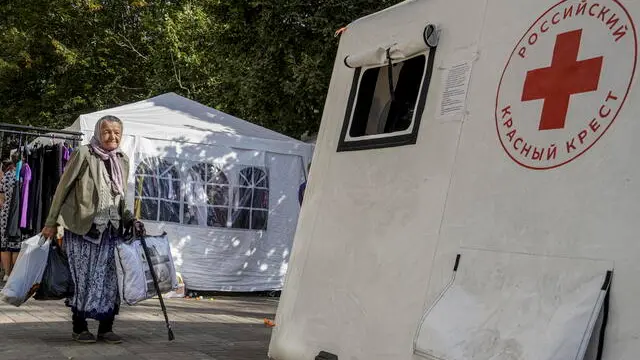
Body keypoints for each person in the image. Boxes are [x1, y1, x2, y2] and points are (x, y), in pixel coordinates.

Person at [41, 115, 140, 344]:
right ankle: (79, 327)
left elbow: (121, 197)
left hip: (112, 230)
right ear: (98, 132)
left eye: (117, 132)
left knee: (110, 281)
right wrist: (51, 222)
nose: (112, 136)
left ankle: (106, 327)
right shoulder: (84, 154)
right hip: (83, 228)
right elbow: (62, 189)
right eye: (106, 131)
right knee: (82, 278)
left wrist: (131, 219)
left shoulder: (122, 160)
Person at [0, 152, 20, 281]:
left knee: (4, 244)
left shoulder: (6, 176)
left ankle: (6, 273)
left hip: (5, 213)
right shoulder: (22, 175)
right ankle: (14, 273)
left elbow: (1, 197)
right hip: (17, 213)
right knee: (16, 244)